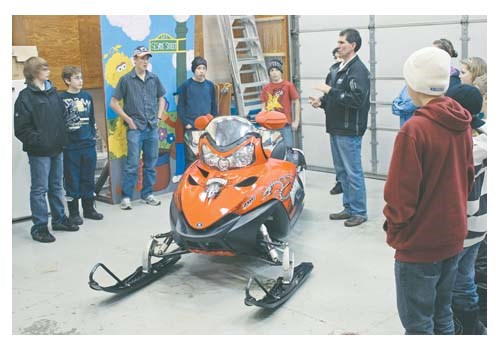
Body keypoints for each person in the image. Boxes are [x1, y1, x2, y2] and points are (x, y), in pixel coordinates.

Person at [383, 47, 475, 335]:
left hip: (419, 245)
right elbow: (468, 176)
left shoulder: (414, 130)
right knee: (442, 313)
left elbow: (400, 195)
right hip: (453, 238)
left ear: (414, 84)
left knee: (418, 324)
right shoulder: (462, 123)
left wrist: (396, 231)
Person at [309, 28, 370, 227]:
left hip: (349, 129)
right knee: (342, 172)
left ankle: (359, 211)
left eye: (342, 42)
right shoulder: (340, 68)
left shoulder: (358, 70)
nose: (339, 45)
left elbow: (357, 100)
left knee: (353, 172)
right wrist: (322, 102)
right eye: (338, 42)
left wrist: (330, 91)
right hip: (336, 127)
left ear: (353, 45)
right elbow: (334, 98)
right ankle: (349, 208)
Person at [14, 57, 79, 243]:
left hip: (57, 148)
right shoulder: (25, 98)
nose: (48, 70)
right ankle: (40, 227)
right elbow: (22, 129)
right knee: (39, 189)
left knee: (57, 186)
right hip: (39, 152)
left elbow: (60, 119)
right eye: (44, 68)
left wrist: (60, 139)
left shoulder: (53, 93)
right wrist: (40, 142)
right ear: (34, 72)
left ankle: (59, 220)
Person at [445, 84, 487, 335]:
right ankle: (474, 327)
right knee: (465, 278)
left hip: (466, 228)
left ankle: (463, 327)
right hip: (481, 227)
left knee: (453, 281)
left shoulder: (470, 152)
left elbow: (469, 202)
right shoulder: (486, 139)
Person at [110, 46, 166, 210]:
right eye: (141, 58)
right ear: (134, 59)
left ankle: (147, 194)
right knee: (132, 164)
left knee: (151, 163)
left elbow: (161, 98)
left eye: (147, 58)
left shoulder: (154, 79)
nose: (145, 61)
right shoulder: (126, 80)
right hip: (135, 128)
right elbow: (113, 103)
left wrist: (159, 116)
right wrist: (128, 119)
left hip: (152, 128)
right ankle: (126, 197)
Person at [60, 66, 104, 224]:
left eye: (81, 77)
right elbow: (59, 123)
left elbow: (91, 119)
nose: (80, 81)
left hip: (88, 145)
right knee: (72, 179)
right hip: (71, 147)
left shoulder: (87, 96)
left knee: (88, 178)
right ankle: (73, 212)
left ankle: (89, 209)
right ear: (67, 80)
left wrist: (92, 136)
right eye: (76, 78)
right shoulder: (61, 99)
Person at [177, 56, 218, 167]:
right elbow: (180, 107)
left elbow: (214, 106)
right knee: (191, 159)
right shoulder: (186, 86)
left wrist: (212, 122)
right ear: (194, 70)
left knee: (209, 156)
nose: (201, 71)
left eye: (204, 68)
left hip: (207, 127)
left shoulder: (210, 86)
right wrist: (187, 123)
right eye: (199, 68)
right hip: (191, 128)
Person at [260, 59, 300, 148]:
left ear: (281, 71)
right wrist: (262, 122)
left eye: (277, 70)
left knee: (288, 149)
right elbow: (263, 107)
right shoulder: (265, 88)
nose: (274, 73)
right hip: (270, 125)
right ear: (269, 73)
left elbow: (296, 102)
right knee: (271, 150)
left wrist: (296, 121)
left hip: (284, 125)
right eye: (272, 70)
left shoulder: (288, 85)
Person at [328, 47, 343, 195]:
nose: (338, 60)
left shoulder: (352, 73)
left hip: (345, 125)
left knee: (349, 163)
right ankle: (340, 182)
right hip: (332, 122)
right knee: (337, 159)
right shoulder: (331, 74)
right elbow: (328, 96)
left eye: (340, 57)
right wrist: (320, 102)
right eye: (335, 58)